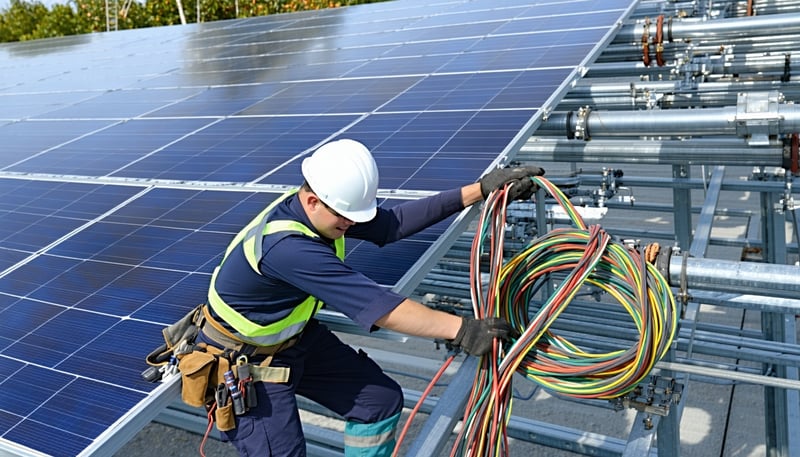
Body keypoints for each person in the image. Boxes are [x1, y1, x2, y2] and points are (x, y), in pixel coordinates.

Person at [197, 138, 544, 457]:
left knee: (379, 401)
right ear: (313, 201)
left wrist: (479, 190)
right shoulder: (288, 249)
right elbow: (379, 308)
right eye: (344, 218)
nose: (350, 224)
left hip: (293, 339)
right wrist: (463, 329)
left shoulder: (321, 208)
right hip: (247, 362)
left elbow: (390, 225)